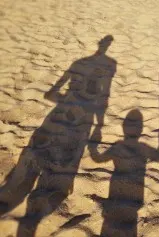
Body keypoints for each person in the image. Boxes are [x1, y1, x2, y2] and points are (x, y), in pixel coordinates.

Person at [0, 35, 116, 237]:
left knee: (19, 182)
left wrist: (64, 99)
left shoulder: (80, 63)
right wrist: (98, 123)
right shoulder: (108, 66)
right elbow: (103, 96)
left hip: (58, 116)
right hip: (77, 123)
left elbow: (51, 93)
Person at [89, 109, 158, 237]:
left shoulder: (118, 145)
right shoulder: (143, 147)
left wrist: (92, 148)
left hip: (116, 190)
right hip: (135, 195)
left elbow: (98, 159)